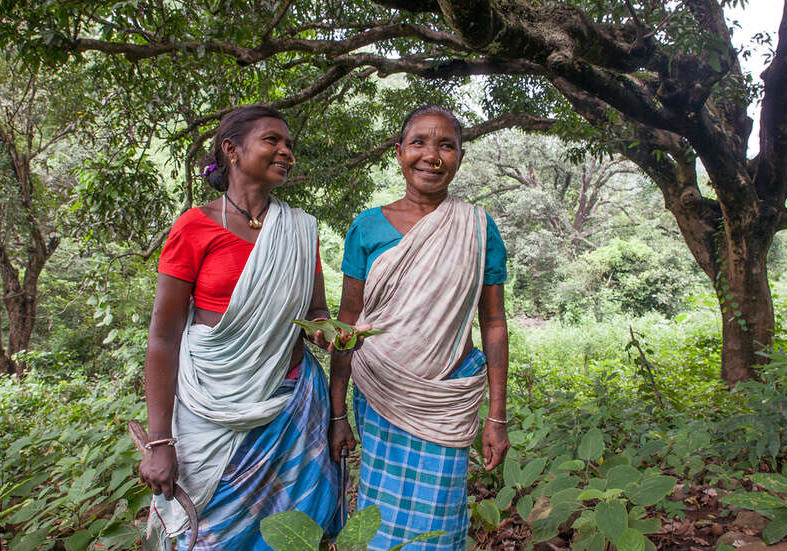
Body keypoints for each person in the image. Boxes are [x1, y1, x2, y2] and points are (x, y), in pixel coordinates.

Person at [138, 106, 341, 550]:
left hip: (290, 405)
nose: (286, 151)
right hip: (210, 405)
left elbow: (317, 312)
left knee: (296, 532)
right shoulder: (194, 227)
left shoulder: (300, 230)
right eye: (273, 140)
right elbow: (163, 336)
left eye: (290, 144)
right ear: (232, 149)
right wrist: (159, 441)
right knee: (212, 534)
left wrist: (327, 331)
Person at [329, 105, 511, 550]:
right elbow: (346, 323)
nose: (432, 155)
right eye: (419, 143)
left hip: (444, 397)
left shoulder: (477, 228)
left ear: (460, 158)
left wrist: (497, 417)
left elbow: (493, 323)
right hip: (380, 392)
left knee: (438, 521)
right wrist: (337, 413)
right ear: (399, 153)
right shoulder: (367, 227)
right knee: (378, 517)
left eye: (446, 145)